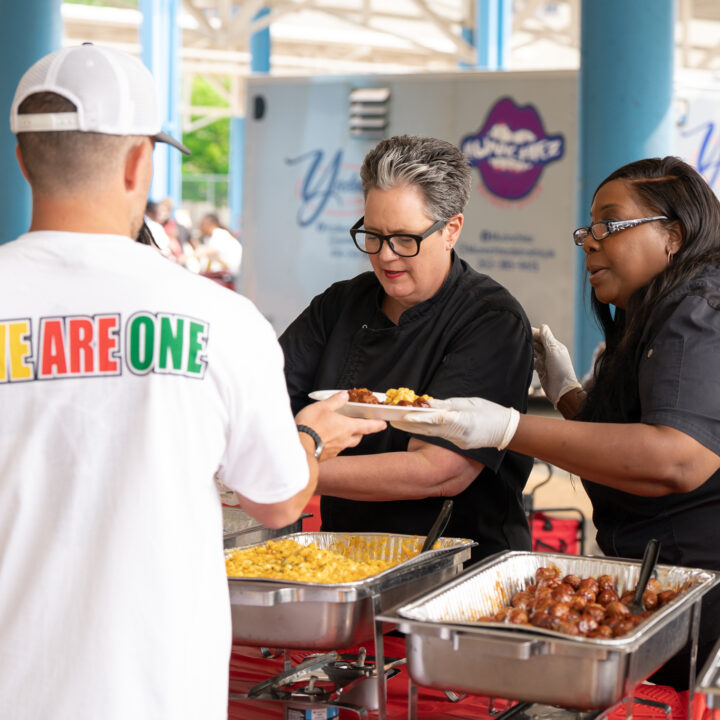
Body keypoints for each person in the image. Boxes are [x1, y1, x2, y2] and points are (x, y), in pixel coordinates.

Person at [0, 44, 384, 720]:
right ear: (137, 162)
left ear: (25, 159)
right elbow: (275, 501)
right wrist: (310, 437)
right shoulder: (219, 319)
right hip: (155, 692)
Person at [392, 156, 720, 689]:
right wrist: (569, 397)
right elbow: (623, 439)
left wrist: (507, 428)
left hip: (702, 595)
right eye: (586, 229)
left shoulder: (700, 310)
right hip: (658, 582)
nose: (589, 241)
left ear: (674, 235)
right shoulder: (651, 314)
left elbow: (676, 458)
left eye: (608, 225)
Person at [280, 135, 535, 564]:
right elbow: (262, 403)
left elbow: (440, 470)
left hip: (458, 564)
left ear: (451, 229)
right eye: (373, 236)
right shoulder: (339, 306)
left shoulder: (491, 320)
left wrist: (293, 473)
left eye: (404, 239)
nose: (385, 256)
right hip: (345, 557)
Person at [195, 212, 243, 278]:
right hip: (228, 273)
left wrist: (188, 256)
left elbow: (209, 251)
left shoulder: (219, 233)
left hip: (235, 273)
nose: (200, 227)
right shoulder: (208, 238)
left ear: (211, 224)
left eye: (202, 224)